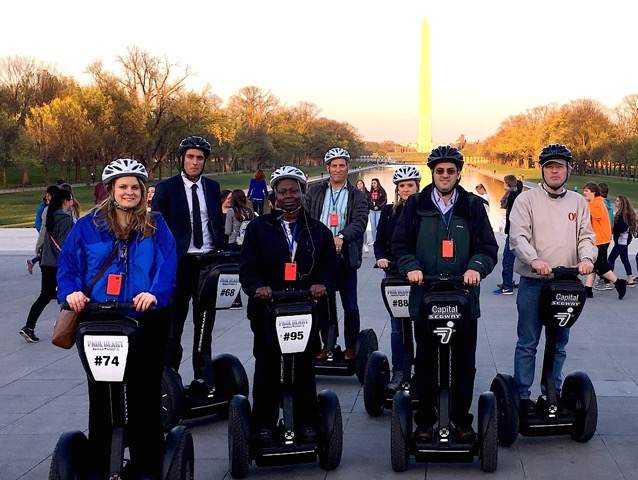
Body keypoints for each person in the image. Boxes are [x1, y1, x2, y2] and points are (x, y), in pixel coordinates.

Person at [57, 158, 177, 478]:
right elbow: (68, 266)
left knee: (143, 395)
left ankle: (144, 464)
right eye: (122, 186)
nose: (129, 192)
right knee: (102, 398)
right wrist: (71, 292)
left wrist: (154, 294)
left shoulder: (156, 225)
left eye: (134, 186)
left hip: (144, 320)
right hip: (99, 320)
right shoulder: (88, 225)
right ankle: (99, 465)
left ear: (142, 191)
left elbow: (167, 266)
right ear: (111, 190)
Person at [392, 145, 498, 442]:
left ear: (459, 173)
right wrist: (410, 266)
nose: (445, 175)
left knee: (464, 362)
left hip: (463, 297)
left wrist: (477, 267)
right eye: (440, 171)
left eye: (451, 171)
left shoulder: (473, 206)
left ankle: (461, 419)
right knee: (425, 362)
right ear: (433, 174)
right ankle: (425, 420)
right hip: (425, 295)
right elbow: (399, 245)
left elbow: (489, 247)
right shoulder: (415, 204)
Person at [239, 165, 337, 445]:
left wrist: (322, 285)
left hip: (305, 308)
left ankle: (307, 421)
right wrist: (257, 287)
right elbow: (247, 266)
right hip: (268, 309)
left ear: (303, 193)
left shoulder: (317, 230)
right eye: (282, 192)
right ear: (274, 197)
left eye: (294, 190)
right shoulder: (258, 228)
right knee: (267, 367)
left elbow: (330, 266)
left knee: (304, 366)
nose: (289, 196)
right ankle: (264, 424)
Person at [509, 143, 597, 417]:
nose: (555, 171)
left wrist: (587, 260)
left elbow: (586, 237)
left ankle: (552, 393)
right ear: (542, 170)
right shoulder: (526, 200)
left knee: (559, 342)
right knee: (528, 342)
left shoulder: (578, 202)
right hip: (535, 281)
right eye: (549, 166)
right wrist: (534, 259)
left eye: (560, 166)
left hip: (566, 283)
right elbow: (518, 237)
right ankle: (522, 396)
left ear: (568, 170)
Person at [151, 135, 224, 380]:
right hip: (179, 264)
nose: (194, 162)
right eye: (190, 157)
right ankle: (169, 379)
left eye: (199, 158)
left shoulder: (212, 188)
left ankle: (204, 376)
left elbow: (216, 224)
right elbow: (156, 230)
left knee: (205, 324)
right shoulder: (166, 188)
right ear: (182, 158)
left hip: (207, 264)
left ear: (205, 161)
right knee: (174, 325)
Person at [303, 147, 368, 361]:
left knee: (350, 304)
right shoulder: (315, 192)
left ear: (348, 167)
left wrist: (341, 235)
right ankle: (328, 344)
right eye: (334, 165)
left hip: (345, 257)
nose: (338, 169)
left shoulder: (357, 195)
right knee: (324, 304)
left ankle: (351, 346)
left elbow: (359, 222)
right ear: (327, 168)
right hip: (321, 258)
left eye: (342, 165)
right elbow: (305, 217)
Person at [374, 165, 421, 390]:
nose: (406, 190)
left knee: (422, 325)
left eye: (410, 185)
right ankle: (399, 372)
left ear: (417, 186)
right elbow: (379, 241)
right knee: (397, 328)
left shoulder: (426, 212)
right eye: (402, 186)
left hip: (421, 277)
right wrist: (381, 258)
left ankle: (422, 372)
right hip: (395, 276)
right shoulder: (389, 212)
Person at [19, 189, 74, 342]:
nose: (72, 202)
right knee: (72, 294)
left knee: (46, 294)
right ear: (65, 202)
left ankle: (29, 326)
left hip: (46, 261)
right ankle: (67, 328)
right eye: (70, 200)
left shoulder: (50, 216)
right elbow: (65, 245)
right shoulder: (65, 221)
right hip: (59, 263)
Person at [582, 181, 626, 299]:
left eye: (586, 191)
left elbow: (598, 215)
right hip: (599, 239)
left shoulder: (597, 203)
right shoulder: (595, 202)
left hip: (600, 240)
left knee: (599, 266)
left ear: (593, 192)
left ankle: (618, 283)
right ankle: (588, 289)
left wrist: (586, 204)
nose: (584, 193)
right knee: (593, 264)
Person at [493, 175, 522, 295]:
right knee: (508, 258)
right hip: (514, 231)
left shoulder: (512, 195)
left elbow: (504, 205)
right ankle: (508, 281)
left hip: (513, 231)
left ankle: (507, 286)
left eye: (504, 183)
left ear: (507, 183)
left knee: (507, 259)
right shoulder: (516, 193)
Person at [27, 185, 58, 274]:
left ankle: (33, 261)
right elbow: (42, 225)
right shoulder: (44, 208)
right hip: (43, 229)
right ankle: (33, 261)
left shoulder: (46, 208)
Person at [608, 195, 637, 287]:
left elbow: (622, 228)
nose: (615, 202)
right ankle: (630, 279)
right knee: (625, 259)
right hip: (622, 241)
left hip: (622, 241)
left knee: (611, 258)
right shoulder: (623, 214)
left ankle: (608, 279)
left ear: (621, 203)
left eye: (617, 201)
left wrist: (613, 229)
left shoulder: (624, 215)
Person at [595, 182, 615, 290]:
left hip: (601, 236)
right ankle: (604, 279)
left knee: (600, 261)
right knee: (602, 259)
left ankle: (608, 281)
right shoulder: (608, 203)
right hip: (606, 234)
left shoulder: (600, 203)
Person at [368, 178, 387, 245]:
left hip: (379, 210)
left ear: (377, 183)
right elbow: (368, 201)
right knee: (373, 226)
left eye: (374, 183)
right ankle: (374, 240)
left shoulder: (382, 191)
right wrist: (371, 206)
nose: (373, 184)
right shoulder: (370, 192)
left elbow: (384, 200)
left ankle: (379, 240)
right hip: (372, 211)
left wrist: (379, 206)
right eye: (372, 183)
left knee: (378, 225)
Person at [355, 179, 371, 251]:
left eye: (360, 184)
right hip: (355, 214)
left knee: (364, 229)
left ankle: (365, 244)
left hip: (364, 213)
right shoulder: (353, 193)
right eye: (358, 184)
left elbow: (370, 202)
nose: (359, 185)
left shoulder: (367, 193)